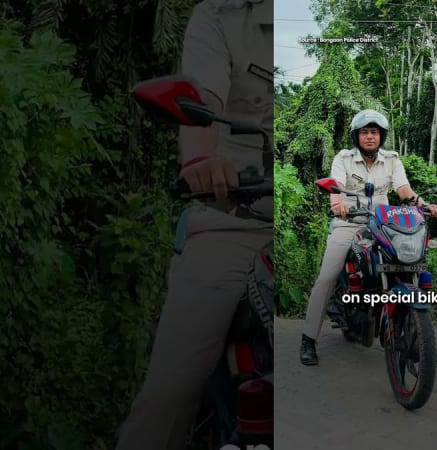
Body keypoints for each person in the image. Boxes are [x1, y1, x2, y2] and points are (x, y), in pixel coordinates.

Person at [116, 1, 273, 449]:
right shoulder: (221, 16)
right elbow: (203, 98)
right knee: (168, 393)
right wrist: (202, 161)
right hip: (238, 218)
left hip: (313, 223)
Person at [299, 109, 437, 366]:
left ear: (382, 136)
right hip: (349, 222)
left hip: (384, 223)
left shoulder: (392, 160)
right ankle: (309, 339)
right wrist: (338, 205)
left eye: (374, 132)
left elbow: (404, 191)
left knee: (410, 266)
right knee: (327, 277)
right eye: (365, 132)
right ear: (357, 136)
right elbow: (335, 186)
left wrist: (425, 205)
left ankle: (422, 340)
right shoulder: (343, 159)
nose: (370, 137)